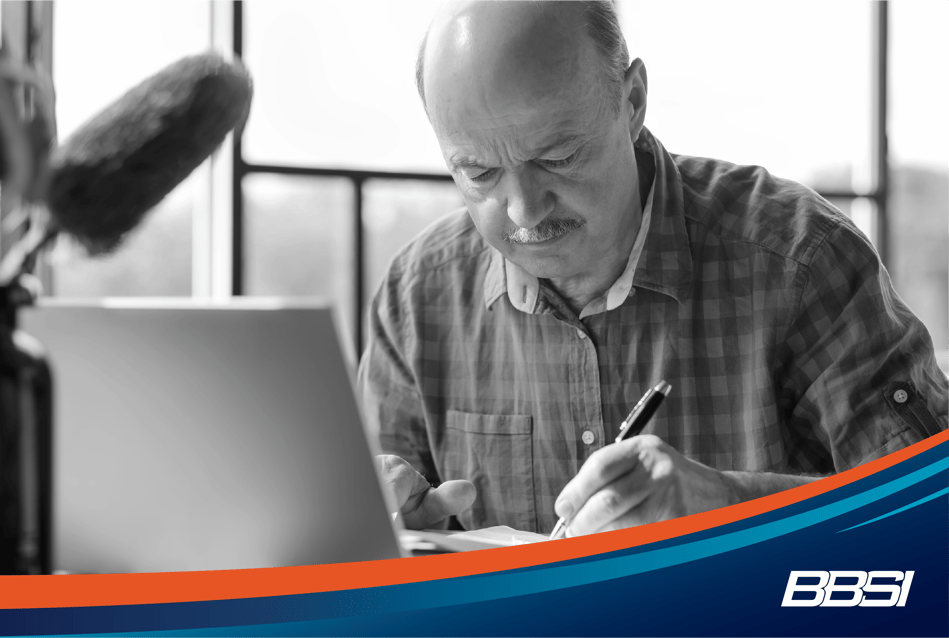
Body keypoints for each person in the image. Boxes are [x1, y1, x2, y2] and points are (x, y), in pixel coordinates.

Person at [358, 0, 949, 537]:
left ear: (633, 99)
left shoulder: (800, 260)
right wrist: (382, 529)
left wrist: (724, 504)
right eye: (478, 173)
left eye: (558, 158)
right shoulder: (416, 297)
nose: (524, 211)